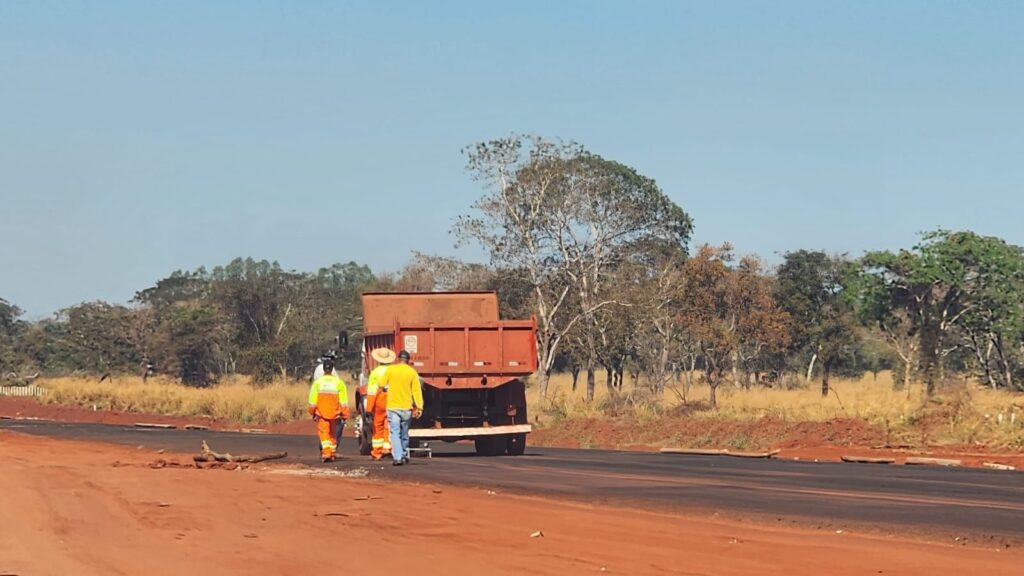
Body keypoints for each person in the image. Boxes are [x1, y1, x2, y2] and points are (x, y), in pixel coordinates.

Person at [379, 349, 423, 466]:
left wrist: (385, 388)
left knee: (395, 433)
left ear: (398, 359)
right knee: (404, 433)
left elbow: (381, 383)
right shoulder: (412, 372)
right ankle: (403, 454)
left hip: (393, 407)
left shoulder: (391, 370)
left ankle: (398, 457)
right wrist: (419, 407)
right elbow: (416, 391)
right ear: (408, 361)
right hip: (406, 408)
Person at [307, 356, 350, 462]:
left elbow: (312, 401)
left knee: (324, 433)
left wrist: (312, 412)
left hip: (322, 414)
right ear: (332, 369)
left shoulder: (317, 383)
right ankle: (332, 452)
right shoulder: (339, 383)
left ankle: (326, 453)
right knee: (332, 434)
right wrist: (345, 415)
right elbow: (344, 402)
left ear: (323, 369)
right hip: (335, 414)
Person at [364, 347, 396, 460]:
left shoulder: (375, 372)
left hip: (380, 401)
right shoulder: (394, 371)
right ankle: (388, 448)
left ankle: (377, 452)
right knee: (390, 425)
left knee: (378, 426)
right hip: (393, 400)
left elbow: (372, 392)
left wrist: (368, 409)